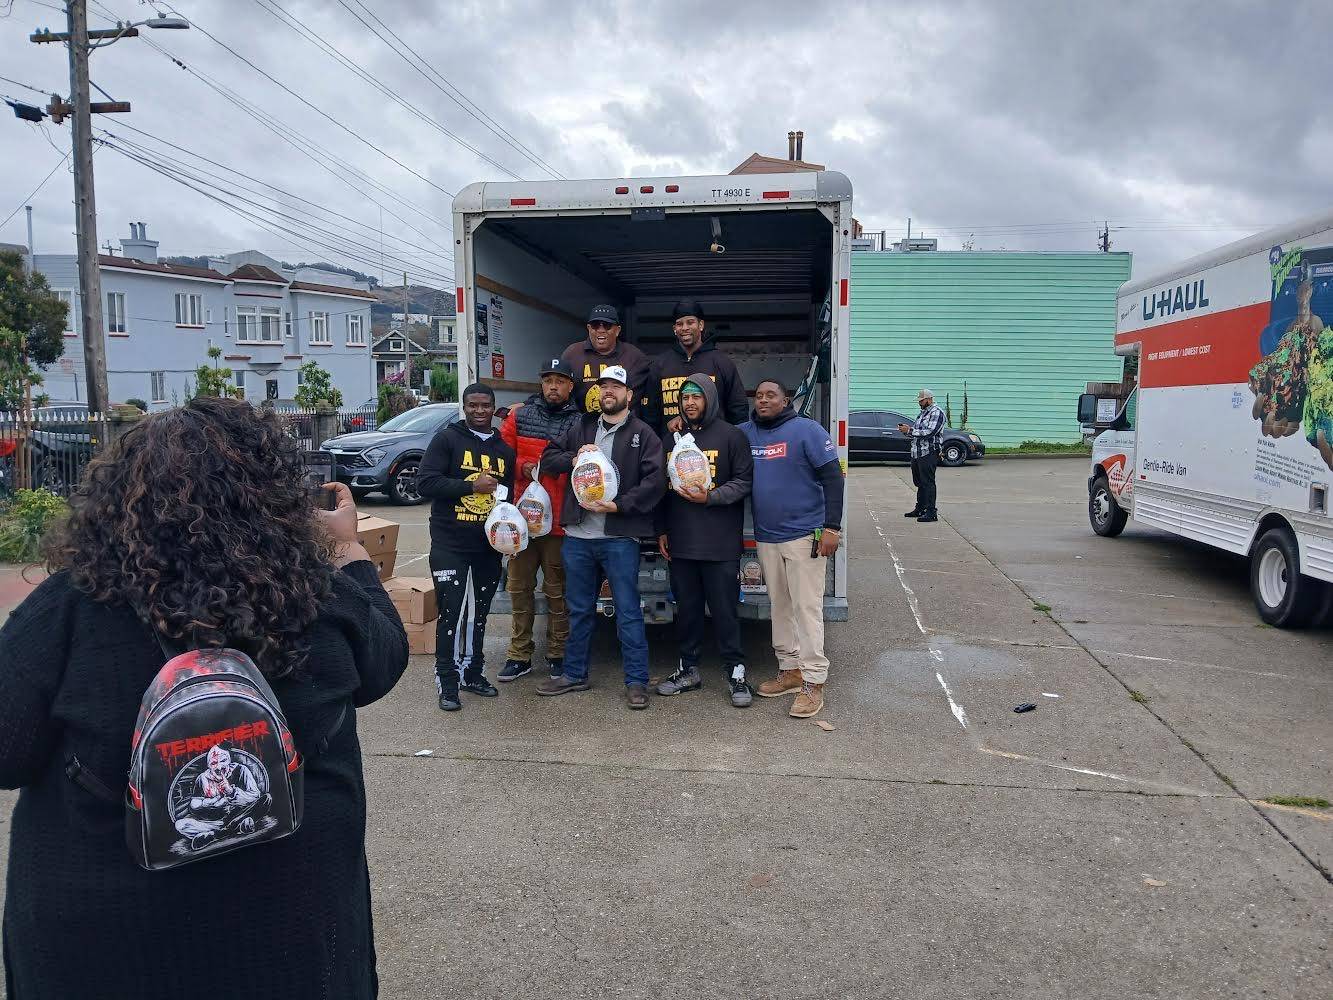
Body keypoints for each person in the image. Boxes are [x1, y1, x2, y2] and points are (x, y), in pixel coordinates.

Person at [0, 397, 408, 999]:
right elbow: (384, 660)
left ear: (120, 501)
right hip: (290, 936)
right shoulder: (314, 594)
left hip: (104, 946)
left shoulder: (69, 604)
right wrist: (347, 552)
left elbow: (8, 750)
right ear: (269, 493)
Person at [536, 365, 666, 709]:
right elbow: (548, 458)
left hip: (620, 537)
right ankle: (573, 674)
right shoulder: (581, 426)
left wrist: (620, 506)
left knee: (627, 611)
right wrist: (572, 456)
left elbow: (655, 482)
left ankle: (636, 682)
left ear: (629, 395)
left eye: (616, 386)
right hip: (579, 535)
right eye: (604, 385)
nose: (609, 391)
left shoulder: (643, 433)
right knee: (578, 609)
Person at [741, 378, 844, 719]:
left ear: (786, 400)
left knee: (807, 607)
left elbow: (833, 477)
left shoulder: (807, 431)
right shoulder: (745, 433)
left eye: (772, 394)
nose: (764, 400)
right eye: (759, 395)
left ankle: (814, 681)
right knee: (780, 604)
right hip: (767, 535)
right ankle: (790, 669)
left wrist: (832, 527)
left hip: (804, 534)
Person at [655, 376, 755, 707]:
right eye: (685, 398)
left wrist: (711, 497)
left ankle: (736, 672)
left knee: (725, 611)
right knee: (687, 611)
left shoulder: (732, 436)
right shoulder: (671, 440)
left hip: (720, 544)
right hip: (682, 541)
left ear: (710, 398)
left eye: (697, 397)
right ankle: (688, 669)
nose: (690, 403)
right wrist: (662, 529)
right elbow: (662, 489)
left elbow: (743, 482)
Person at [416, 382, 516, 711]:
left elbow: (507, 501)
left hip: (487, 547)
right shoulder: (447, 439)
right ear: (464, 407)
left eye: (485, 405)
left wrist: (511, 534)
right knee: (452, 614)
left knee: (480, 615)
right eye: (472, 405)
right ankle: (447, 682)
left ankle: (473, 673)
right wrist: (470, 484)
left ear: (493, 407)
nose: (479, 410)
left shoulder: (505, 451)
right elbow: (425, 483)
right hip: (450, 543)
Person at [497, 358, 582, 682]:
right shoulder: (521, 416)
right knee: (519, 588)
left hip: (560, 522)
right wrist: (525, 467)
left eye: (560, 381)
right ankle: (519, 654)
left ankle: (558, 653)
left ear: (570, 386)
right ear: (541, 383)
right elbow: (501, 456)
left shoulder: (579, 422)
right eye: (548, 380)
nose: (553, 387)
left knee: (558, 591)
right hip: (522, 522)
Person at [652, 300, 749, 434]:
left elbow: (738, 410)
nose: (685, 328)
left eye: (690, 322)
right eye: (679, 324)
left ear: (701, 325)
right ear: (674, 329)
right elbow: (650, 415)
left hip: (715, 447)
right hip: (673, 448)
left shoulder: (721, 362)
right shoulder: (660, 364)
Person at [560, 303, 653, 416]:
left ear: (618, 330)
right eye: (595, 325)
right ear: (589, 328)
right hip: (581, 428)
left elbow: (648, 399)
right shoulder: (572, 354)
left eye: (607, 325)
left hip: (623, 429)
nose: (601, 330)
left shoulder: (635, 357)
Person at [898, 388, 945, 523]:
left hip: (929, 451)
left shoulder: (937, 413)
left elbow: (930, 432)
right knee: (919, 482)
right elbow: (917, 432)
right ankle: (920, 508)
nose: (919, 403)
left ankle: (931, 512)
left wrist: (911, 430)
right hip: (917, 452)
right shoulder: (923, 413)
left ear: (929, 399)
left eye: (922, 400)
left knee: (928, 482)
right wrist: (906, 430)